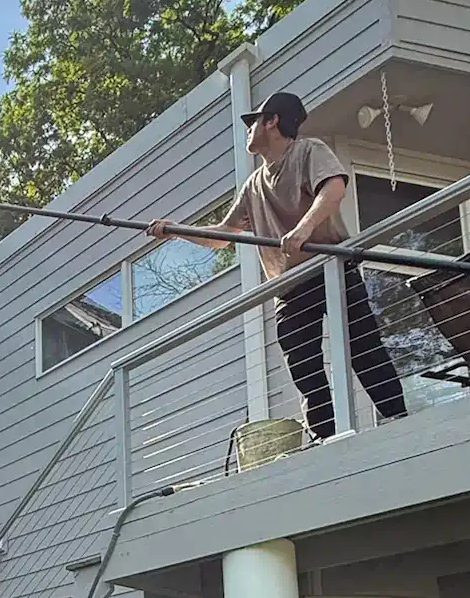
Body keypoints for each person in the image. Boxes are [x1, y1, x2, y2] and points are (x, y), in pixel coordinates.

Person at [154, 91, 406, 440]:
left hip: (330, 267)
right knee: (303, 366)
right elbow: (225, 235)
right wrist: (177, 231)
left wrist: (303, 229)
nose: (248, 130)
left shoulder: (308, 151)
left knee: (362, 347)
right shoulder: (253, 185)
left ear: (272, 121)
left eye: (253, 122)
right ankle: (325, 437)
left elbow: (333, 188)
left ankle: (397, 418)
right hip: (289, 286)